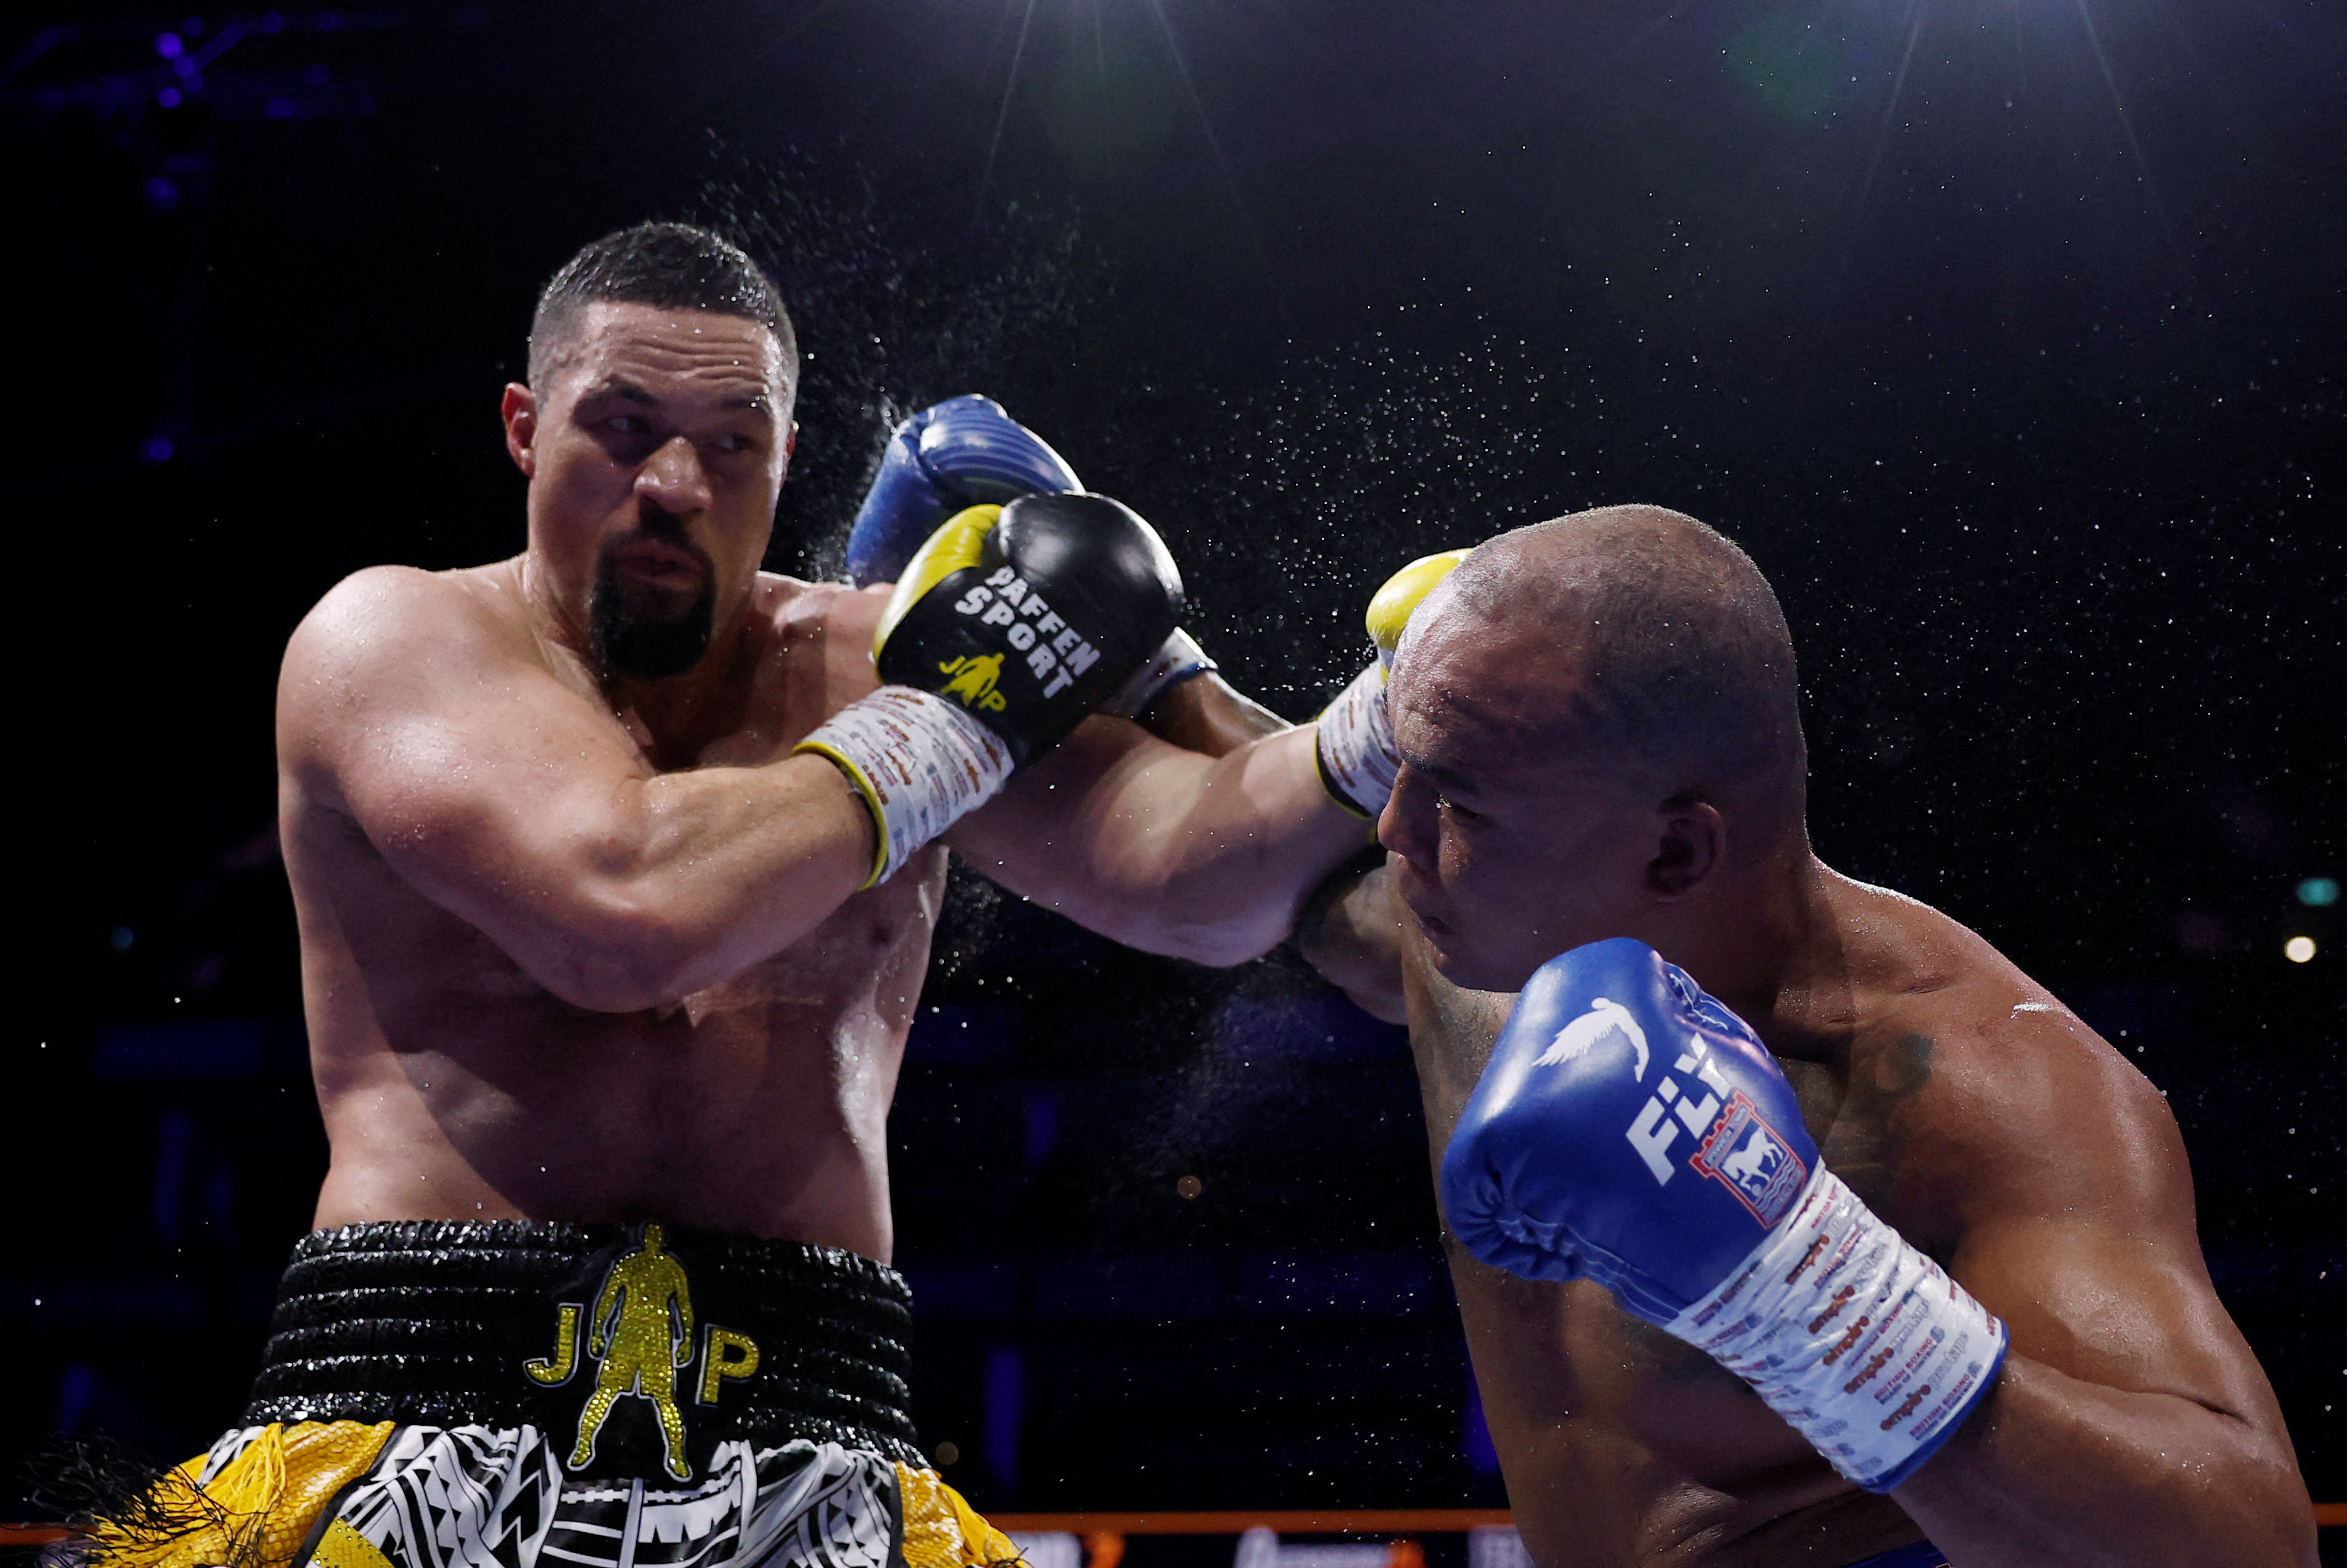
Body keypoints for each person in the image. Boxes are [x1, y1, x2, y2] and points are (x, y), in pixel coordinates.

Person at [96, 223, 1368, 1568]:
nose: (673, 483)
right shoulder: (394, 638)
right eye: (623, 427)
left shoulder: (887, 655)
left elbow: (1201, 888)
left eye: (730, 443)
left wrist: (1390, 711)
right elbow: (621, 915)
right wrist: (955, 719)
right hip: (411, 1428)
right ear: (524, 428)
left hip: (820, 1446)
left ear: (786, 460)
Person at [1296, 506, 2315, 1566]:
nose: (1394, 829)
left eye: (1460, 802)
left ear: (1676, 853)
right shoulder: (1477, 911)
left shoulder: (1984, 1093)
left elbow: (2254, 1548)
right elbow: (1222, 879)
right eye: (1405, 771)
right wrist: (1234, 706)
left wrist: (1802, 1283)